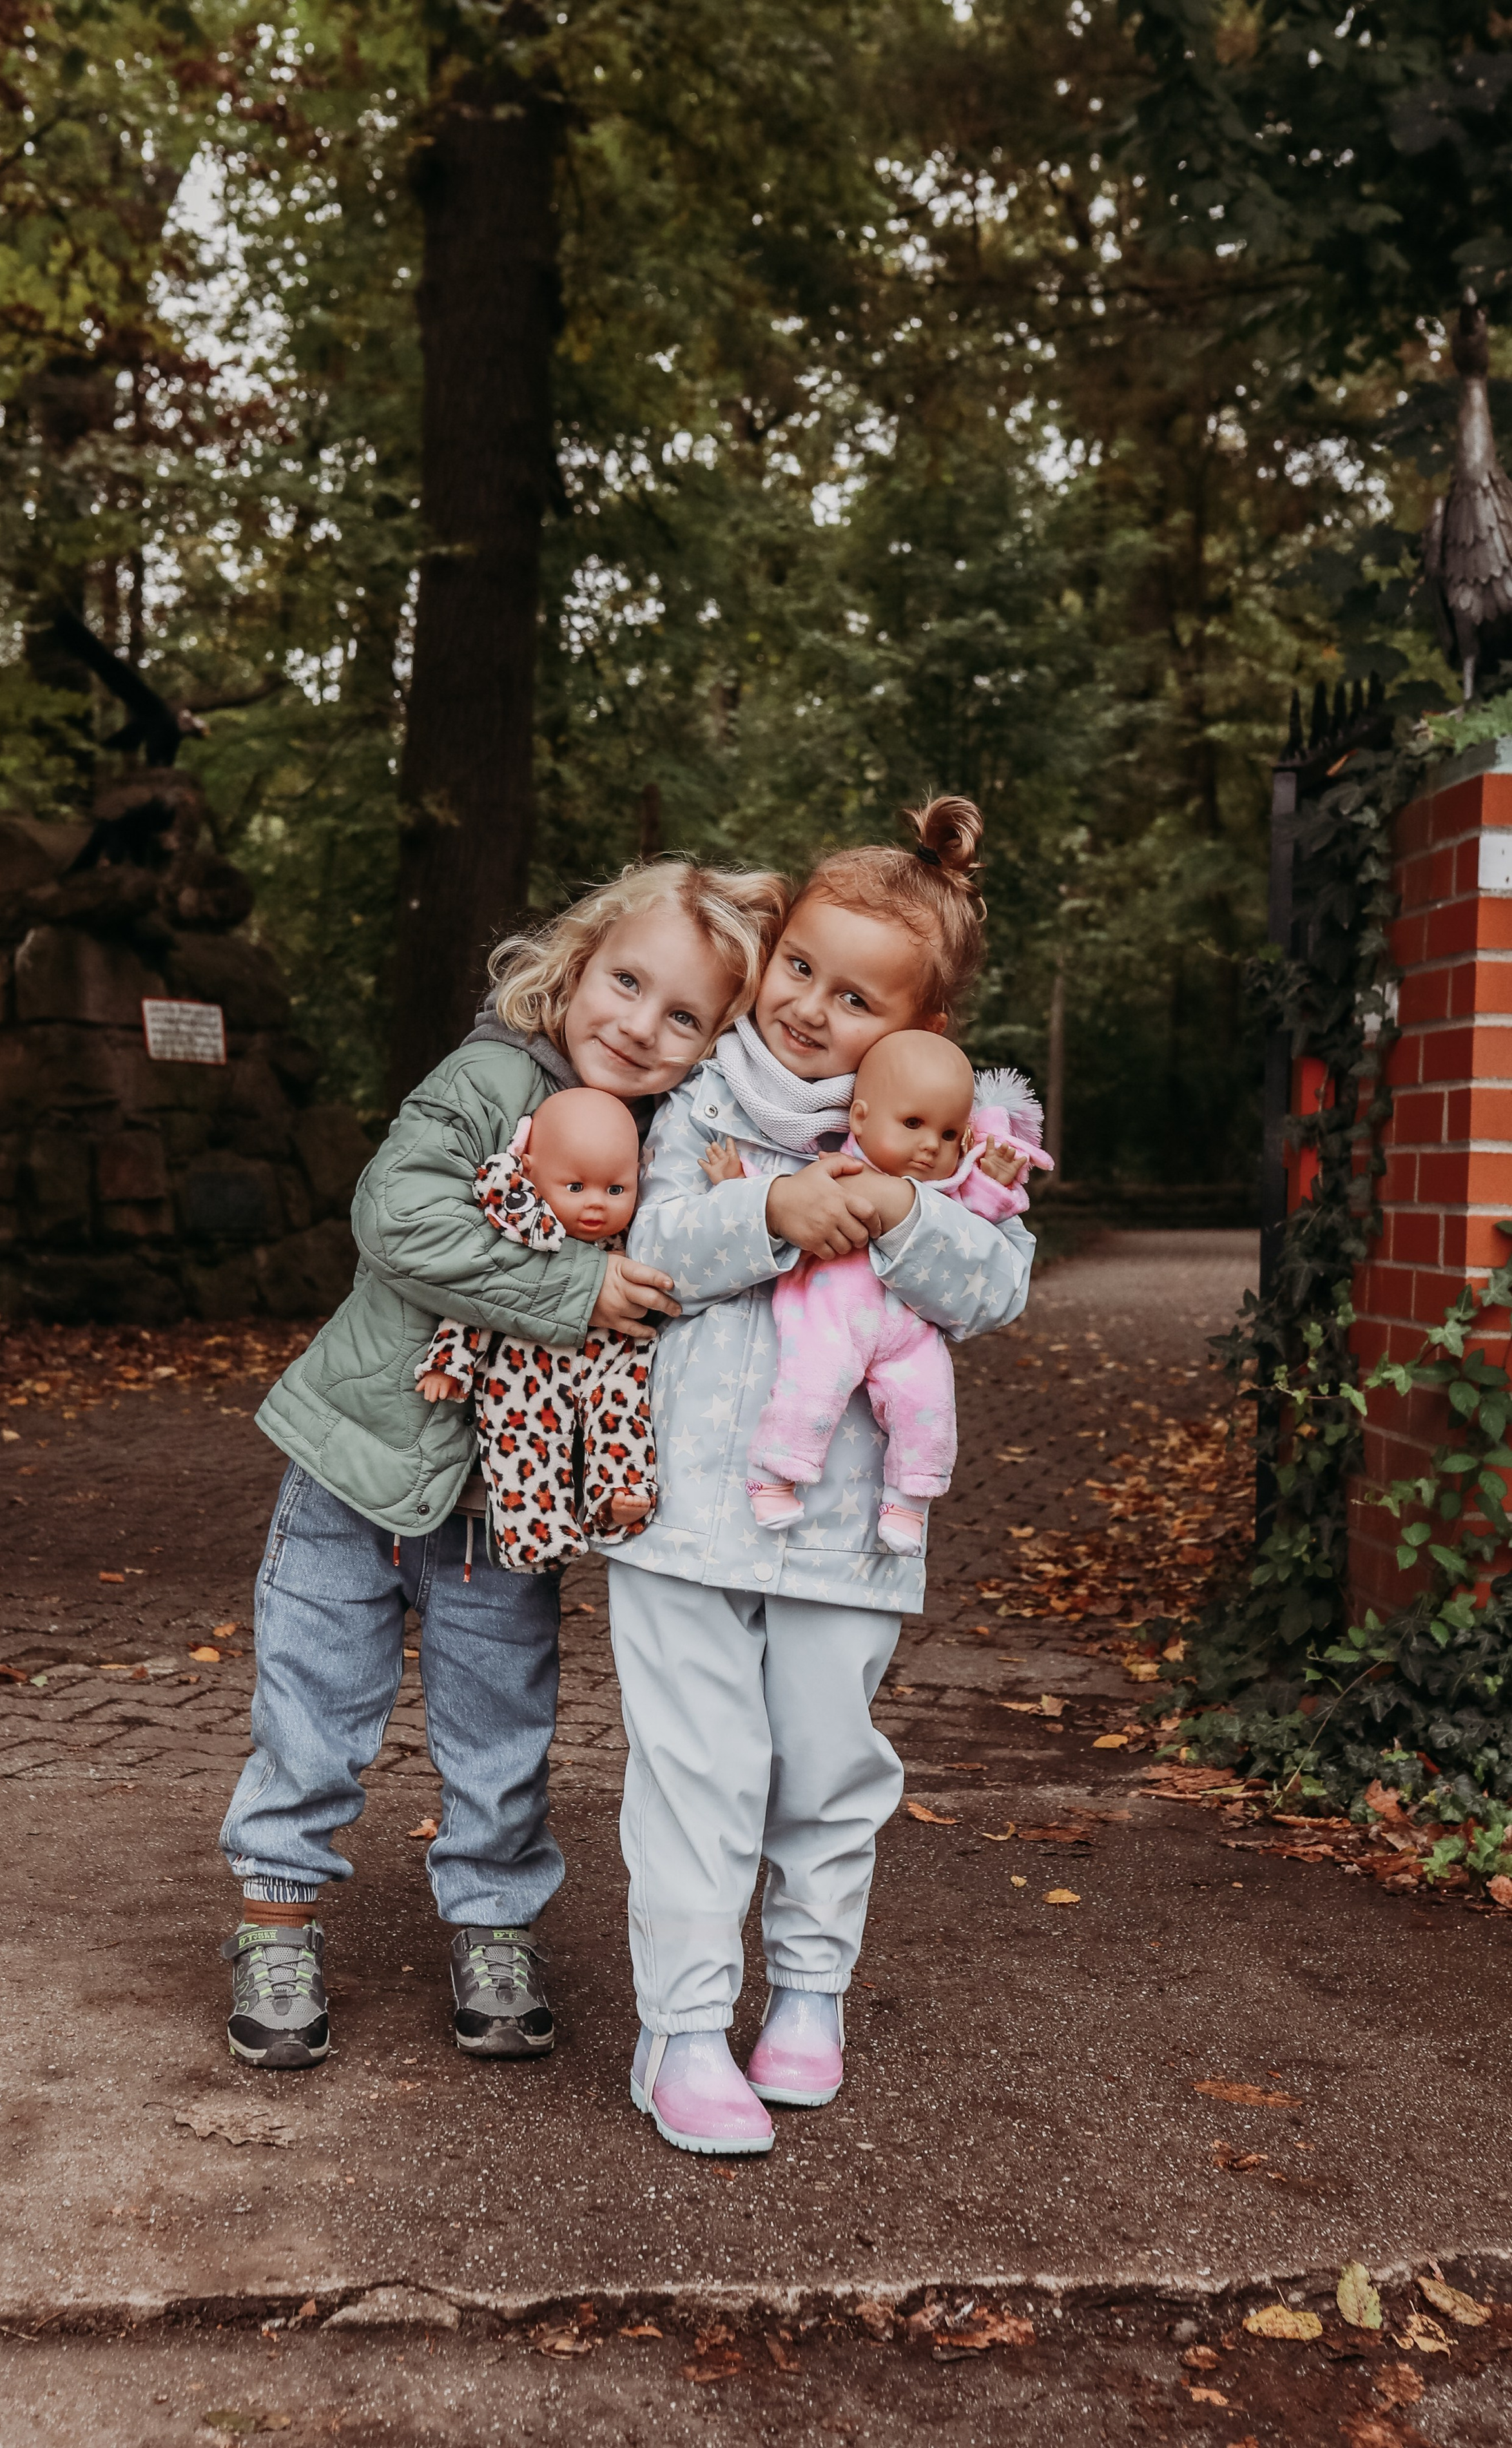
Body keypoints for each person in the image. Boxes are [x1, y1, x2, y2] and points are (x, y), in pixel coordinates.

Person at [217, 858, 789, 2071]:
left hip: (507, 1506)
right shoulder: (488, 1079)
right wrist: (575, 1288)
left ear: (715, 1041)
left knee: (500, 1730)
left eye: (683, 1014)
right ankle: (276, 1920)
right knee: (311, 1711)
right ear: (576, 963)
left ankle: (492, 1926)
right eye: (626, 982)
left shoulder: (674, 1141)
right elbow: (396, 1217)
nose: (638, 1024)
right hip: (354, 1470)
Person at [609, 797, 1035, 2155]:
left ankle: (806, 1997)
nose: (806, 1007)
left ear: (920, 1033)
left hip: (848, 1530)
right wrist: (768, 1212)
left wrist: (908, 1211)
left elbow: (995, 1291)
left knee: (824, 1768)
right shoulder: (697, 1098)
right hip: (680, 1509)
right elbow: (649, 1244)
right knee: (696, 1773)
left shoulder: (952, 1140)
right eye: (798, 966)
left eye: (855, 998)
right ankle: (679, 2030)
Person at [709, 1033, 1051, 1555]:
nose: (931, 1145)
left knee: (930, 1405)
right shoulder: (838, 1167)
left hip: (908, 1334)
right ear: (862, 1120)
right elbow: (785, 1192)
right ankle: (773, 1473)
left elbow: (975, 1220)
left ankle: (910, 1499)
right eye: (912, 1124)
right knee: (812, 1389)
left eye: (950, 1132)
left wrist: (995, 1183)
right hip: (829, 1314)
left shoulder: (948, 1189)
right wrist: (738, 1181)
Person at [415, 1087, 657, 1570]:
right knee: (524, 1442)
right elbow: (477, 1301)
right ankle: (535, 1533)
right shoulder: (524, 1234)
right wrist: (451, 1363)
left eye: (616, 1190)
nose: (596, 1206)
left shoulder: (637, 1234)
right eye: (575, 1187)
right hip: (526, 1367)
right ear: (530, 1172)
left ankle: (620, 1492)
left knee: (626, 1415)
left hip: (611, 1360)